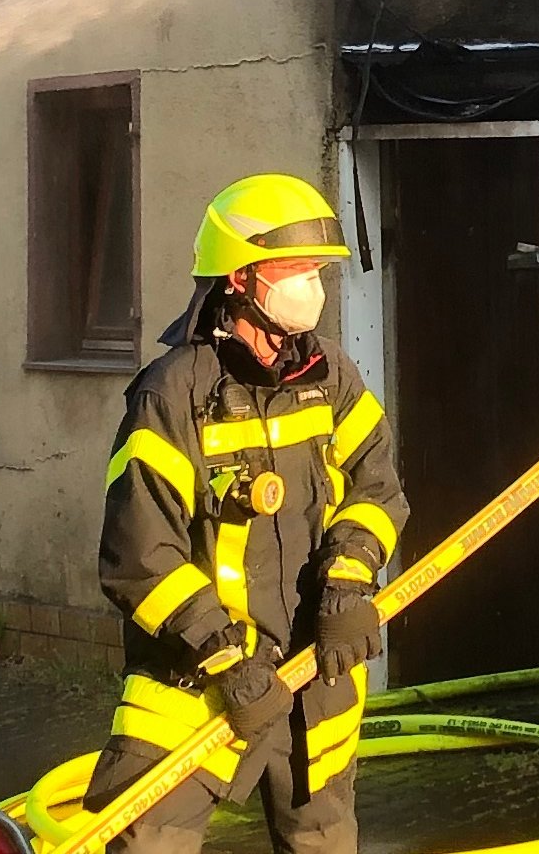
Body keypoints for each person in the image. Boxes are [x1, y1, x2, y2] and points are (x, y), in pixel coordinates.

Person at [83, 174, 405, 854]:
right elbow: (140, 556)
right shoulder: (171, 396)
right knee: (148, 842)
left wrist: (349, 583)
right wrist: (225, 659)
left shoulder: (330, 377)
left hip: (314, 674)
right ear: (241, 278)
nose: (312, 288)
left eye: (319, 272)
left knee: (322, 842)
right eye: (296, 271)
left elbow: (376, 487)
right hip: (193, 687)